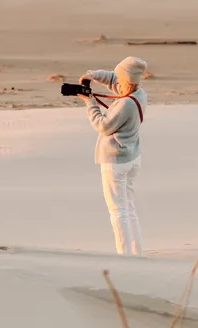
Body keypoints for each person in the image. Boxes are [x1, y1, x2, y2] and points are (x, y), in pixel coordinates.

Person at [79, 56, 148, 256]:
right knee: (129, 209)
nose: (115, 80)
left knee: (118, 212)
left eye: (119, 77)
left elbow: (102, 125)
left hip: (116, 161)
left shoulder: (126, 104)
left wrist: (90, 103)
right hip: (131, 158)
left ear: (127, 80)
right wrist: (93, 75)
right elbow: (114, 79)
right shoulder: (139, 93)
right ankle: (136, 253)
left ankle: (124, 257)